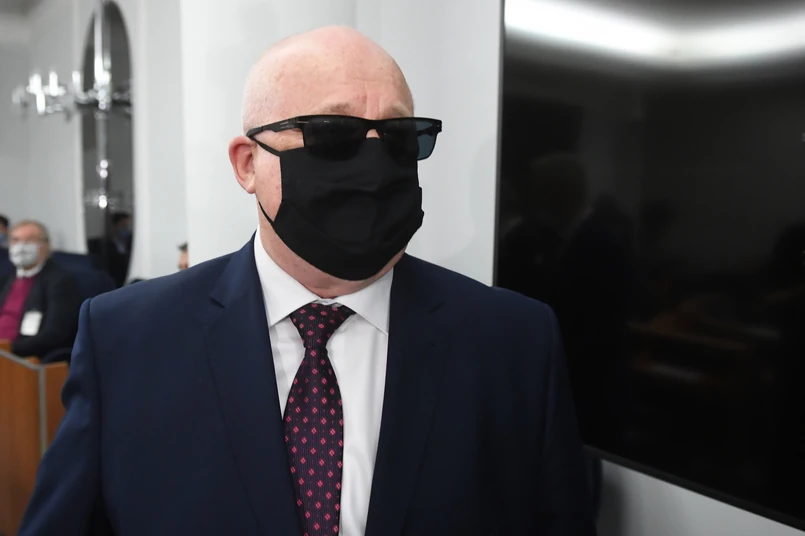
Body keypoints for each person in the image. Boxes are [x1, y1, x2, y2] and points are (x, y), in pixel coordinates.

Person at [19, 27, 595, 536]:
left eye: (398, 138)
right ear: (248, 163)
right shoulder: (125, 339)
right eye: (332, 135)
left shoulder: (515, 341)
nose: (374, 169)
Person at [0, 220, 81, 358]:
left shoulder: (60, 281)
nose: (21, 247)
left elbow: (53, 334)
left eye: (29, 240)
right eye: (16, 240)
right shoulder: (6, 279)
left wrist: (8, 349)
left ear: (45, 245)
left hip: (22, 357)